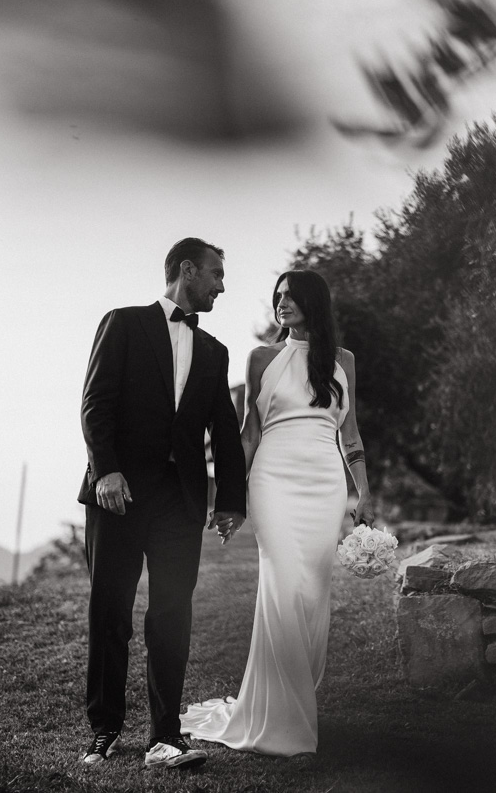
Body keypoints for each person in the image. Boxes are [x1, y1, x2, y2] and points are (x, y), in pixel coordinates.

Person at [180, 268, 371, 756]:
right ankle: (284, 721)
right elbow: (249, 434)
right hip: (273, 482)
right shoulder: (262, 358)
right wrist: (230, 497)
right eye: (278, 296)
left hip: (325, 487)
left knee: (312, 595)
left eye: (290, 296)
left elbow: (350, 434)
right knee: (283, 587)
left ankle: (294, 696)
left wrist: (363, 493)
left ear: (313, 303)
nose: (281, 303)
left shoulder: (344, 361)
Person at [77, 237, 247, 769]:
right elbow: (95, 404)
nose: (222, 286)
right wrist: (106, 470)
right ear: (187, 270)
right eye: (216, 275)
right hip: (119, 494)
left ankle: (166, 736)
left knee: (172, 615)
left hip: (180, 502)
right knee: (111, 612)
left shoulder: (214, 351)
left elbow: (224, 430)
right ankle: (104, 730)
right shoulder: (123, 323)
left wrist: (231, 501)